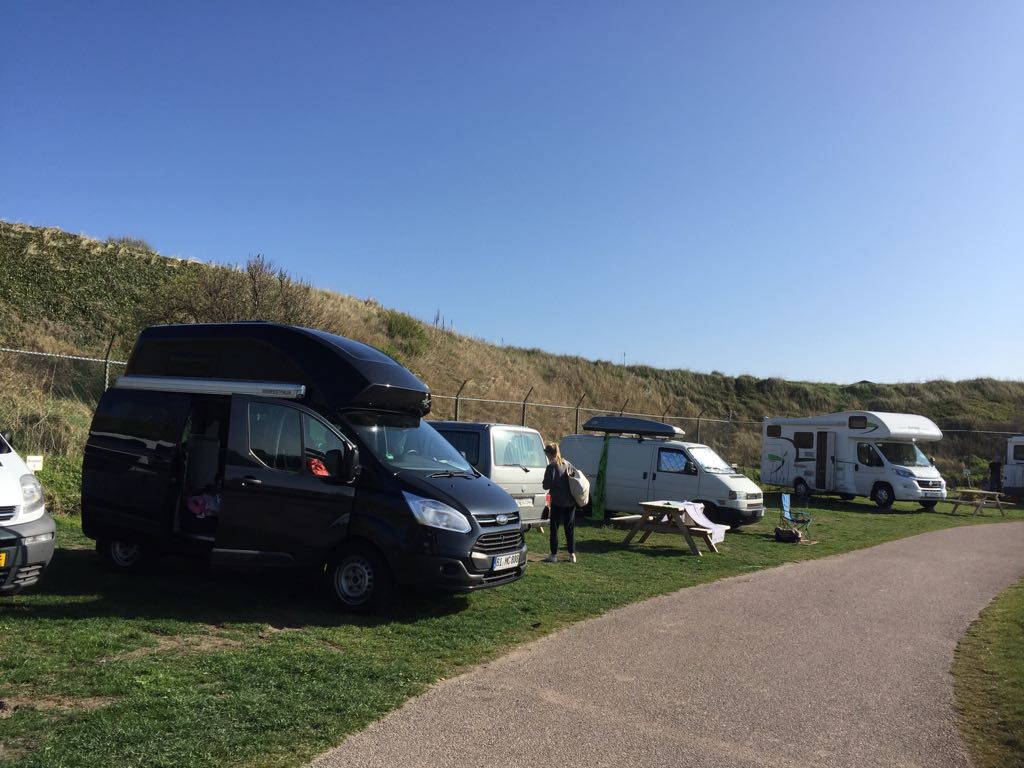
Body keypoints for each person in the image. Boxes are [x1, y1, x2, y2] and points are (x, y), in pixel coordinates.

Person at [542, 442, 577, 563]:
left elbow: (546, 486)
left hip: (557, 502)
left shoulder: (551, 467)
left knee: (554, 529)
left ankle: (553, 555)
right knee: (569, 528)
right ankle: (572, 554)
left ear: (548, 453)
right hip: (571, 502)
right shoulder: (567, 463)